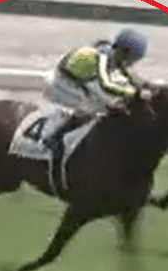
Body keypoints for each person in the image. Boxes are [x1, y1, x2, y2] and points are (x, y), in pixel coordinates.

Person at [39, 28, 148, 168]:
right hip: (60, 83)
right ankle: (52, 139)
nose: (132, 63)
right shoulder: (102, 57)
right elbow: (105, 84)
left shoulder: (115, 56)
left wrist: (146, 86)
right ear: (123, 52)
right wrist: (132, 92)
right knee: (89, 111)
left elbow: (131, 78)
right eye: (132, 59)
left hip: (79, 83)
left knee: (107, 106)